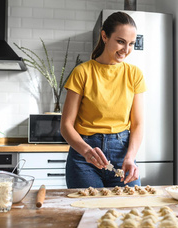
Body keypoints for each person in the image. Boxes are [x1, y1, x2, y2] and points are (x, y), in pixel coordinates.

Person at [60, 12, 146, 189]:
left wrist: (130, 157)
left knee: (131, 210)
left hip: (122, 153)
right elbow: (66, 125)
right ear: (104, 36)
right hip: (85, 156)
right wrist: (86, 151)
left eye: (131, 44)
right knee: (89, 213)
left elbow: (137, 124)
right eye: (121, 41)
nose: (126, 49)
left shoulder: (134, 74)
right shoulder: (82, 72)